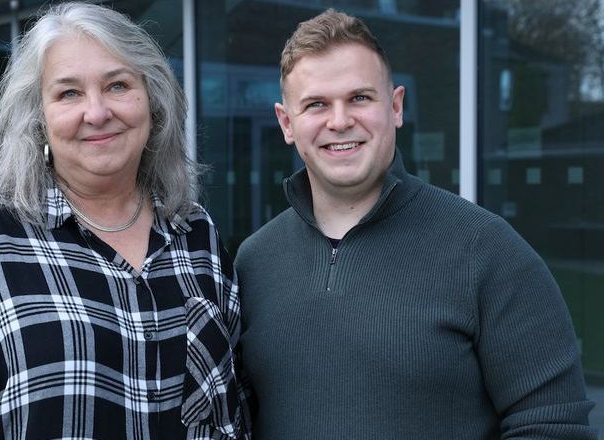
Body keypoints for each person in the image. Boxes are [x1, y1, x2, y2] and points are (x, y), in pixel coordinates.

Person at [0, 3, 249, 439]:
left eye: (118, 85)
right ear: (38, 118)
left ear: (153, 100)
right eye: (69, 93)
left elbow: (233, 409)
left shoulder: (195, 233)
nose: (98, 112)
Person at [234, 8, 596, 440]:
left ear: (396, 107)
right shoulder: (254, 262)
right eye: (316, 104)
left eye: (360, 98)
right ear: (287, 123)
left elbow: (554, 424)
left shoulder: (485, 249)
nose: (339, 120)